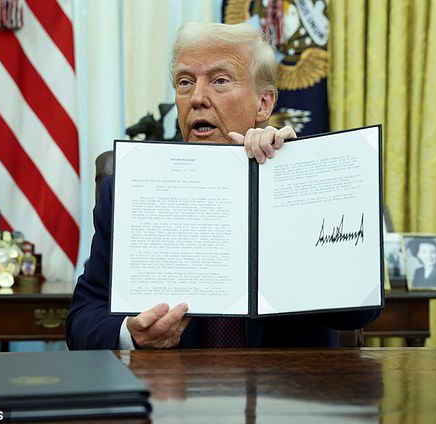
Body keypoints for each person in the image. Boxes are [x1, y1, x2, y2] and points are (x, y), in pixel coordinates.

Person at [66, 22, 382, 350]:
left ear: (263, 104)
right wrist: (130, 333)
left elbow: (358, 314)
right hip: (173, 393)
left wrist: (296, 177)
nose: (197, 98)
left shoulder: (307, 182)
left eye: (220, 80)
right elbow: (81, 323)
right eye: (185, 82)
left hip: (289, 392)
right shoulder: (129, 192)